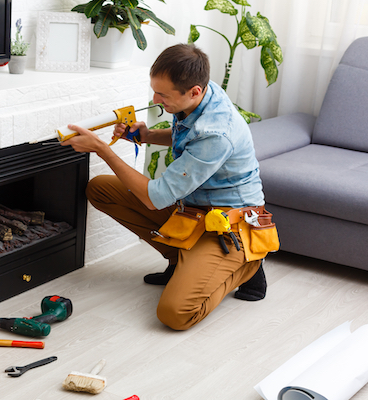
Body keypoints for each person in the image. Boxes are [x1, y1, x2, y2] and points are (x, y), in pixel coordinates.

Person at [61, 43, 268, 331]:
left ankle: (248, 265)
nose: (156, 100)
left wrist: (101, 149)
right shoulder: (200, 94)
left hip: (228, 224)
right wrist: (146, 135)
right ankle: (179, 259)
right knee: (101, 189)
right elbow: (188, 137)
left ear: (194, 91)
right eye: (155, 90)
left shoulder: (217, 132)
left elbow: (154, 198)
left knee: (176, 314)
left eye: (163, 95)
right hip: (193, 209)